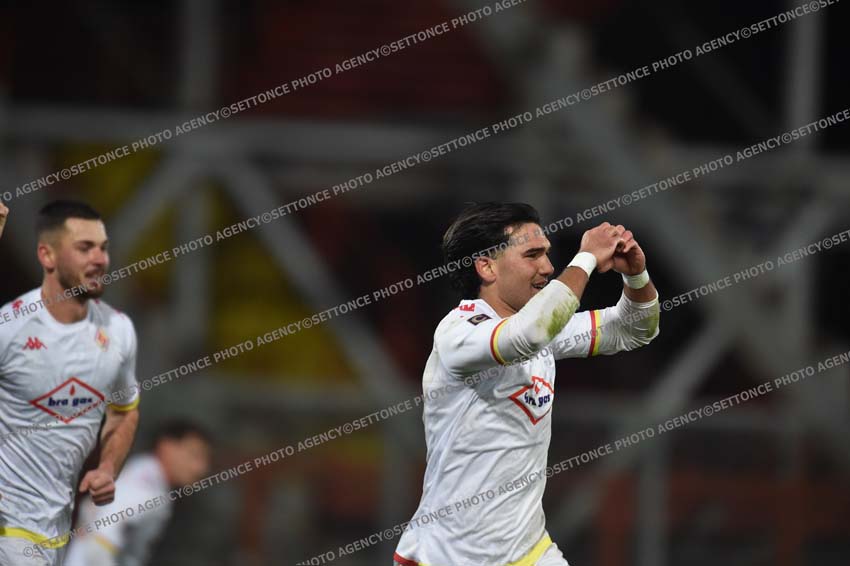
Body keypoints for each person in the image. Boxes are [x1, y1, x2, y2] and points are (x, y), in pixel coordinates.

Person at [393, 203, 660, 566]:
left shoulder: (542, 330)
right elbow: (530, 333)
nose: (547, 267)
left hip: (528, 552)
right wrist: (585, 258)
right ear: (486, 267)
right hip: (447, 557)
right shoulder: (458, 333)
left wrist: (637, 276)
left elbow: (634, 329)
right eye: (532, 255)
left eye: (546, 254)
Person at [0, 200, 140, 566]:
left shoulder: (118, 331)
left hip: (55, 530)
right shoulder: (10, 328)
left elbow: (124, 411)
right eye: (84, 248)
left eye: (103, 248)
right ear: (46, 256)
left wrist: (108, 468)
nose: (100, 259)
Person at [64, 420, 212, 566]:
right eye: (195, 455)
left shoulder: (148, 477)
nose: (201, 468)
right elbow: (98, 543)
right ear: (166, 446)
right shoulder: (144, 485)